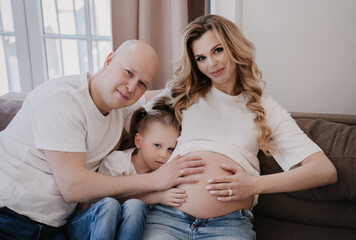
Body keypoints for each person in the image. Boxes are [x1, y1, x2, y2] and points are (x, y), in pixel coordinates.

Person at [141, 14, 337, 240]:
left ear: (233, 47)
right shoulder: (184, 93)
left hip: (227, 225)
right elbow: (133, 103)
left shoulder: (264, 108)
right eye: (201, 58)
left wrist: (254, 185)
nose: (211, 64)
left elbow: (324, 171)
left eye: (218, 50)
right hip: (168, 216)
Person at [0, 40, 205, 239]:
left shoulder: (120, 108)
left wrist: (207, 80)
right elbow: (73, 187)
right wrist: (154, 180)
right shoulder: (64, 100)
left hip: (54, 226)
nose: (131, 87)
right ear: (109, 60)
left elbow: (161, 95)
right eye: (128, 73)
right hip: (10, 216)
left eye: (141, 83)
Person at [67, 96, 186, 240]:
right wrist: (157, 197)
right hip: (88, 223)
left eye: (170, 149)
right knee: (111, 204)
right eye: (157, 146)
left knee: (135, 205)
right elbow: (100, 200)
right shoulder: (117, 162)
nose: (163, 155)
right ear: (139, 141)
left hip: (120, 229)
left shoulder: (162, 174)